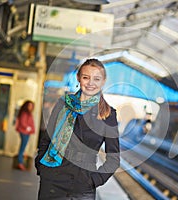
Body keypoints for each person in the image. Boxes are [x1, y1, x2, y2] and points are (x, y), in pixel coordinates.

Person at [35, 58, 120, 200]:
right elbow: (47, 138)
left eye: (96, 79)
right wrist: (41, 166)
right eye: (86, 77)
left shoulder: (107, 114)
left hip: (83, 184)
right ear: (78, 78)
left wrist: (93, 181)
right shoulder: (63, 104)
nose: (91, 83)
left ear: (103, 81)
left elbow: (114, 159)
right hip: (53, 178)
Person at [16, 100, 35, 171]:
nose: (31, 107)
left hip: (26, 132)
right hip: (24, 132)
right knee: (22, 148)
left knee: (23, 147)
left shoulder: (28, 113)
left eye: (32, 106)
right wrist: (28, 128)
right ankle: (20, 163)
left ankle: (20, 162)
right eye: (29, 105)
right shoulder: (25, 113)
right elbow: (23, 122)